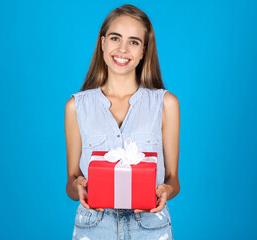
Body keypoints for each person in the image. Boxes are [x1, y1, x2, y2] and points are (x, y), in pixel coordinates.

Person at [65, 4, 180, 240]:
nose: (122, 49)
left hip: (149, 227)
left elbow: (173, 180)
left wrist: (165, 190)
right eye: (115, 38)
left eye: (134, 42)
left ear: (144, 51)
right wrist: (77, 187)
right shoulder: (76, 106)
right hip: (94, 227)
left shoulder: (165, 104)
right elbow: (71, 181)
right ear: (103, 43)